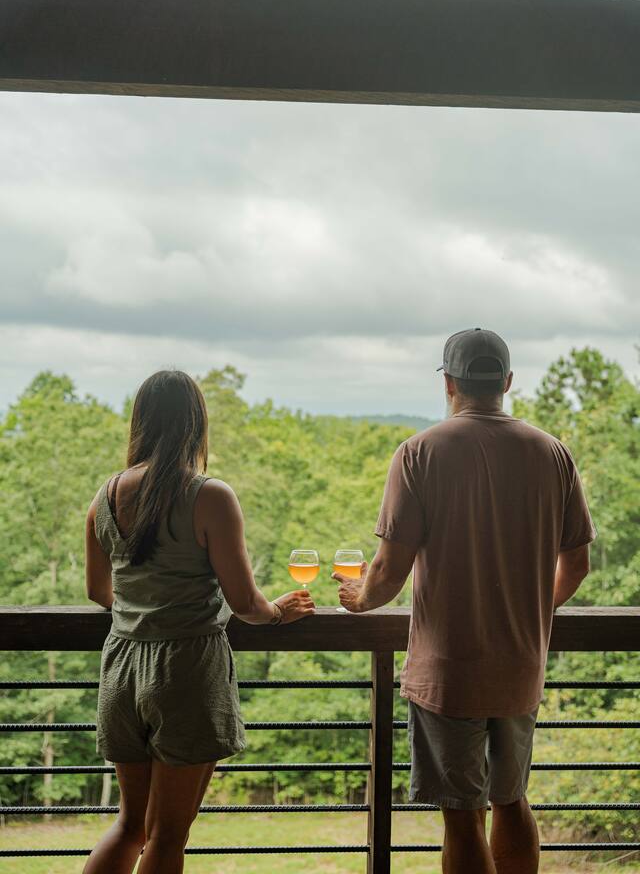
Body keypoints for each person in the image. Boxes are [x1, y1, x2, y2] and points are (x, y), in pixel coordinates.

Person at [332, 328, 595, 874]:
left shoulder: (419, 453)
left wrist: (359, 600)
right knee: (511, 799)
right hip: (521, 664)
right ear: (507, 382)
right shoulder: (552, 452)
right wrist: (529, 611)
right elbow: (576, 565)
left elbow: (389, 570)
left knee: (461, 815)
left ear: (449, 383)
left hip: (447, 671)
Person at [83, 369, 314, 874]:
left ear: (141, 422)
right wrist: (279, 612)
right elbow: (245, 602)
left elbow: (99, 592)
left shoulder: (105, 496)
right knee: (168, 836)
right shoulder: (209, 496)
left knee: (130, 825)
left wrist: (145, 602)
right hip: (186, 666)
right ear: (195, 424)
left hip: (122, 666)